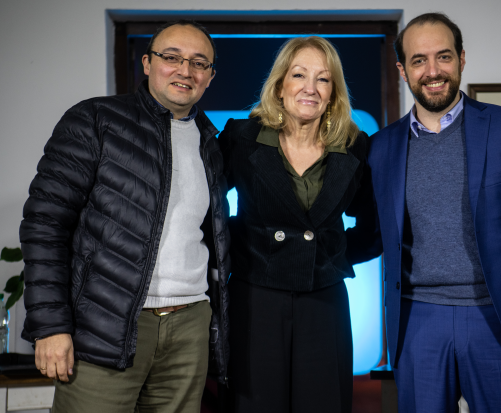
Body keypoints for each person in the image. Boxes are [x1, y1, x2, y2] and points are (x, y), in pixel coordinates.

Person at [346, 12, 501, 413]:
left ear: (462, 59)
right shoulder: (381, 147)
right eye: (419, 60)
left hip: (498, 318)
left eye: (443, 57)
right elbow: (372, 233)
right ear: (403, 71)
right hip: (417, 321)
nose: (432, 71)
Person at [19, 20, 231, 412]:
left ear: (210, 76)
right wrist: (51, 326)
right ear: (148, 64)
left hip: (189, 326)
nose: (185, 70)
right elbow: (45, 225)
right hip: (106, 322)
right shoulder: (96, 120)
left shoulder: (210, 142)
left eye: (199, 63)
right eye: (172, 57)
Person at [218, 36, 369, 413]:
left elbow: (375, 225)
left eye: (323, 79)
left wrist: (328, 254)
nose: (310, 88)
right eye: (299, 75)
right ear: (280, 84)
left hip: (324, 298)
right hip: (256, 296)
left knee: (323, 403)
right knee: (256, 405)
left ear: (333, 91)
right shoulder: (242, 137)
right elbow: (207, 210)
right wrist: (240, 249)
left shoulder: (354, 145)